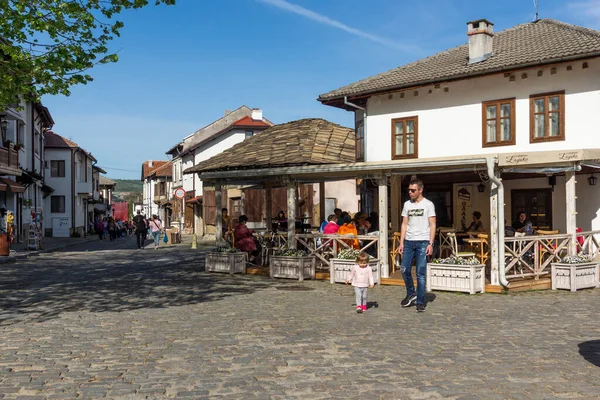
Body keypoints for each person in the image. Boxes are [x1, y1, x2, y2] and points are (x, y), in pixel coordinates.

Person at [397, 179, 436, 313]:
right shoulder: (407, 204)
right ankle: (411, 293)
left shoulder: (428, 204)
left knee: (420, 272)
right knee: (404, 269)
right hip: (409, 241)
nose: (410, 192)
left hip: (423, 241)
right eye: (409, 190)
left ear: (420, 190)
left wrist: (430, 243)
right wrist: (401, 242)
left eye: (413, 190)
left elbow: (432, 224)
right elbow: (404, 223)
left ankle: (420, 301)